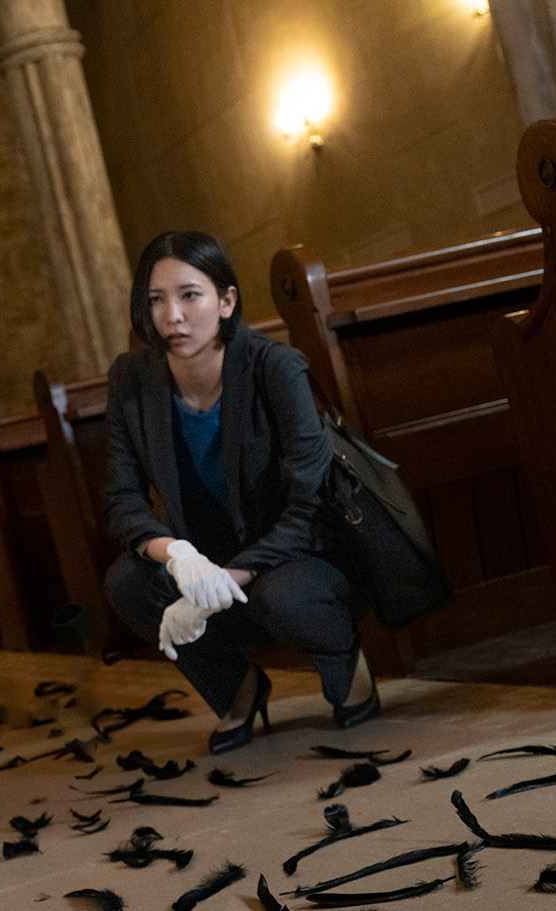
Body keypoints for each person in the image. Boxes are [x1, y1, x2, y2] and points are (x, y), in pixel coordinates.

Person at [102, 230, 378, 756]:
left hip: (294, 555)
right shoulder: (131, 379)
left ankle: (346, 662)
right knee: (129, 582)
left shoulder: (275, 367)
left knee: (284, 595)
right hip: (204, 556)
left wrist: (228, 577)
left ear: (226, 301)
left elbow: (311, 506)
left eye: (189, 295)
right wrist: (178, 555)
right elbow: (122, 499)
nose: (172, 316)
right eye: (156, 300)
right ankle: (237, 687)